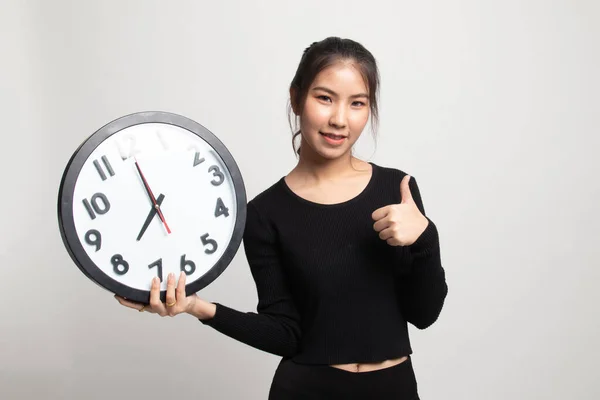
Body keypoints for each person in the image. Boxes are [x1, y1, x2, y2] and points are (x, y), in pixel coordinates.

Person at [116, 36, 448, 399]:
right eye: (324, 98)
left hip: (394, 388)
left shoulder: (396, 190)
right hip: (309, 389)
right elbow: (285, 333)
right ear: (296, 98)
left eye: (357, 103)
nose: (339, 119)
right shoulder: (264, 213)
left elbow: (424, 314)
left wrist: (426, 238)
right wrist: (196, 306)